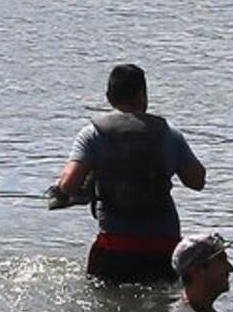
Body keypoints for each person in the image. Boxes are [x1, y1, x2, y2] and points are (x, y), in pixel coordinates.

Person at [49, 62, 207, 284]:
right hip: (163, 247)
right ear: (143, 96)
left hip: (114, 246)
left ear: (109, 96)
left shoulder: (92, 134)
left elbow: (69, 185)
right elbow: (197, 181)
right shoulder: (169, 134)